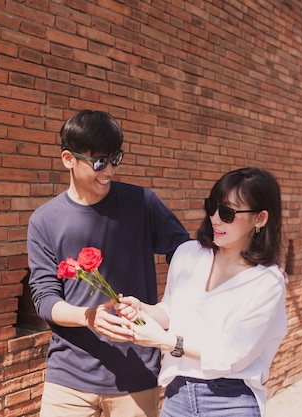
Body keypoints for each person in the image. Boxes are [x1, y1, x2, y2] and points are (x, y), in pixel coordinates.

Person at [27, 110, 190, 417]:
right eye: (100, 162)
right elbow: (45, 299)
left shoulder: (142, 203)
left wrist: (161, 311)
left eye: (116, 159)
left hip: (137, 372)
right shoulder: (44, 221)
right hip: (69, 377)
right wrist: (88, 317)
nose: (111, 171)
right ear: (68, 159)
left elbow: (187, 258)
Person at [116, 167, 287, 417]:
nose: (215, 218)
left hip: (231, 401)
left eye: (228, 212)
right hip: (177, 395)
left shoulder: (267, 282)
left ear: (260, 219)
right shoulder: (188, 254)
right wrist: (144, 310)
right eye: (212, 207)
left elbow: (233, 354)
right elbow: (172, 310)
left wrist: (164, 341)